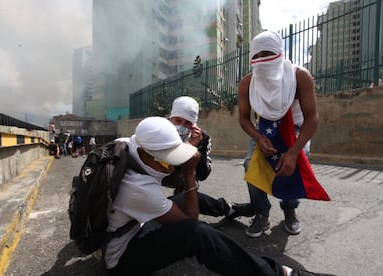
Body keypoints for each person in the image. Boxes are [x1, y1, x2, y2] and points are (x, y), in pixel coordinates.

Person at [104, 116, 331, 276]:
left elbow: (170, 172)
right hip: (123, 257)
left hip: (130, 225)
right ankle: (278, 273)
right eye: (167, 161)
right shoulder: (139, 188)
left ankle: (228, 208)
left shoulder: (128, 145)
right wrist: (189, 172)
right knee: (197, 234)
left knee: (185, 200)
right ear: (146, 153)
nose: (171, 167)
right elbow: (190, 225)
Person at [238, 31, 319, 238]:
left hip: (296, 130)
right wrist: (257, 137)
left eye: (268, 53)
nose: (262, 60)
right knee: (251, 165)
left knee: (295, 163)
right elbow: (244, 118)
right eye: (257, 55)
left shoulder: (300, 76)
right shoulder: (247, 83)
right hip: (263, 130)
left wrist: (293, 153)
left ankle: (289, 209)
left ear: (280, 53)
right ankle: (261, 213)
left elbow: (312, 118)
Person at [164, 96, 253, 219]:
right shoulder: (159, 129)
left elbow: (203, 174)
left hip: (181, 175)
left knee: (188, 191)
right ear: (170, 118)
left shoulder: (202, 137)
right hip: (156, 172)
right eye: (178, 120)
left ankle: (227, 209)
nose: (182, 126)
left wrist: (195, 149)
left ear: (194, 124)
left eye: (188, 123)